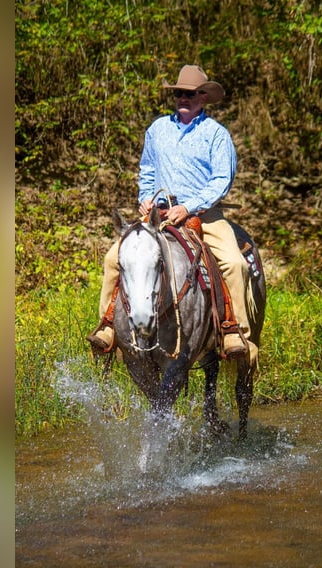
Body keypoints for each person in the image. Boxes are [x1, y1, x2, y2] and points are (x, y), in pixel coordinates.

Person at [87, 64, 256, 361]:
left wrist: (189, 207)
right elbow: (148, 170)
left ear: (203, 97)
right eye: (179, 93)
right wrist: (145, 199)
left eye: (190, 94)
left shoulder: (217, 135)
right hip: (158, 215)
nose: (183, 98)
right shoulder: (157, 129)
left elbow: (222, 179)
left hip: (204, 215)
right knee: (114, 257)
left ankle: (234, 330)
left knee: (233, 263)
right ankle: (109, 325)